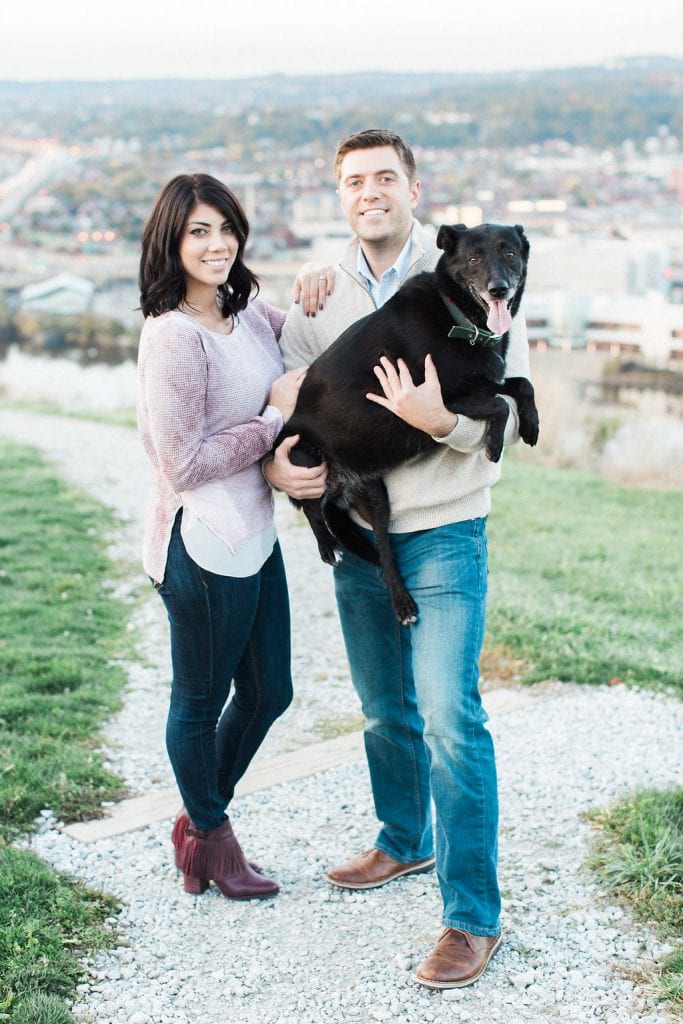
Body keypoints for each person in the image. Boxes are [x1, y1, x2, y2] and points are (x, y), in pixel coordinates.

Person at [265, 129, 534, 987]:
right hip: (362, 534)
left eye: (386, 176)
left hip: (448, 528)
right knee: (384, 709)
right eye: (354, 180)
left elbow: (501, 429)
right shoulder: (317, 292)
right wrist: (281, 470)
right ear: (341, 195)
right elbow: (294, 407)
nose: (369, 190)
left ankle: (471, 918)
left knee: (450, 718)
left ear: (415, 189)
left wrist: (434, 421)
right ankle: (403, 841)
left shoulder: (479, 271)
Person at [136, 172, 315, 900]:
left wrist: (322, 278)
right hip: (204, 541)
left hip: (256, 533)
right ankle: (213, 839)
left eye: (225, 228)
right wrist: (272, 423)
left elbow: (304, 335)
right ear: (171, 244)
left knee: (271, 691)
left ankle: (197, 819)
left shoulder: (243, 314)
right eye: (198, 232)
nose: (216, 244)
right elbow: (182, 464)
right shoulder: (173, 337)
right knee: (200, 700)